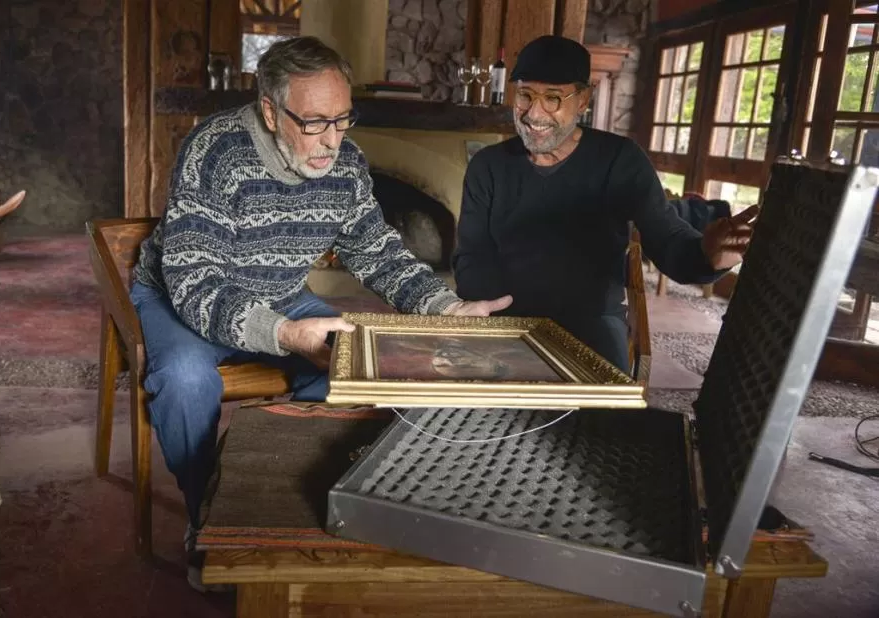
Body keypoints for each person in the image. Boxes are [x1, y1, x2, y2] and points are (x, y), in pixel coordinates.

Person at [129, 36, 511, 589]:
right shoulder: (215, 151)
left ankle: (283, 496)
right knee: (185, 382)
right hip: (184, 294)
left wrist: (445, 306)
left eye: (342, 119)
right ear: (270, 111)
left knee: (350, 369)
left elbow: (376, 251)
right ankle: (205, 517)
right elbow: (194, 283)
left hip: (282, 291)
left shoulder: (346, 166)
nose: (332, 140)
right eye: (313, 123)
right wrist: (285, 333)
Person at [452, 35, 757, 373]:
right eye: (525, 95)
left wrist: (707, 258)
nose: (534, 114)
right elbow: (471, 257)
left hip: (591, 322)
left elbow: (667, 237)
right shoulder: (488, 166)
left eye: (553, 98)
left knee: (605, 404)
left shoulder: (620, 160)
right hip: (507, 319)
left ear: (583, 99)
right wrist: (503, 321)